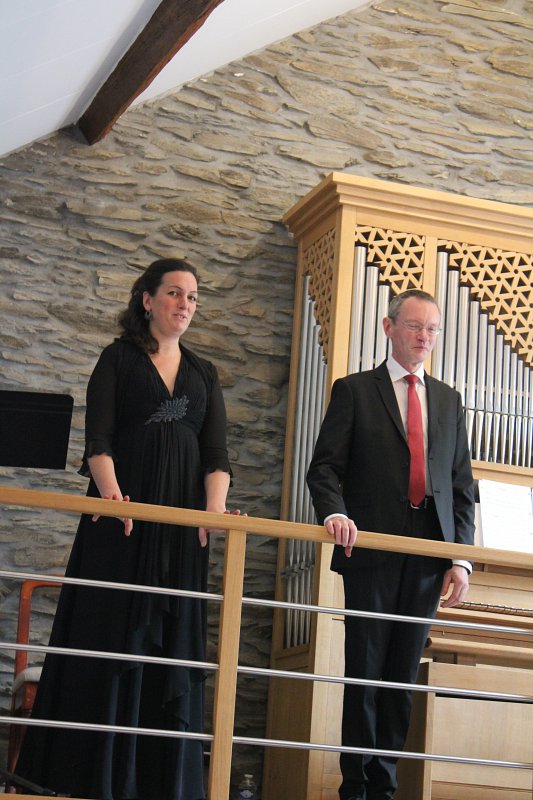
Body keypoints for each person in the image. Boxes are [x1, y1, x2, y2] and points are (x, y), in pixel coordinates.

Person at [16, 258, 234, 800]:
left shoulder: (204, 373)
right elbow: (99, 439)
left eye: (192, 297)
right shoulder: (117, 358)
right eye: (175, 293)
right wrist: (113, 499)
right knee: (111, 637)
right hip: (121, 522)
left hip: (181, 531)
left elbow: (216, 455)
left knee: (168, 649)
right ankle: (93, 779)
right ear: (147, 299)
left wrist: (213, 512)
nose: (185, 304)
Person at [307, 289, 475, 800]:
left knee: (402, 676)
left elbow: (461, 486)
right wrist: (335, 512)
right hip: (371, 550)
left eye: (432, 329)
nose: (424, 337)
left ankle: (384, 788)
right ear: (389, 327)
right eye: (414, 326)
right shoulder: (355, 390)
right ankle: (355, 788)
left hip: (428, 554)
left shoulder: (448, 400)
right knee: (366, 671)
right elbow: (324, 468)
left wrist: (461, 558)